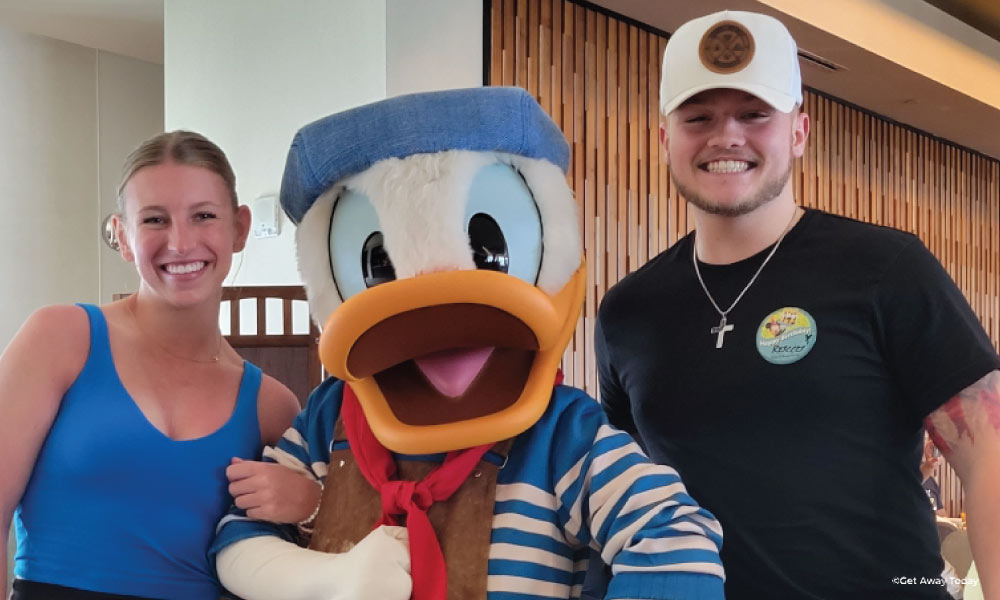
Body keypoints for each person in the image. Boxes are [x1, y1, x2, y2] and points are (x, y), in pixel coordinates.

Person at [594, 10, 1000, 600]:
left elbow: (988, 455)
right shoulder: (628, 312)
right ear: (665, 140)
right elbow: (623, 492)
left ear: (800, 132)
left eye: (754, 114)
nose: (725, 135)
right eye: (698, 116)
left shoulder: (885, 268)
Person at [0, 131, 300, 599]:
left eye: (204, 216)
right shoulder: (58, 339)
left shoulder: (272, 406)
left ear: (239, 228)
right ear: (123, 235)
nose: (180, 243)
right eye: (155, 219)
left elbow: (309, 551)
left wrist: (308, 503)